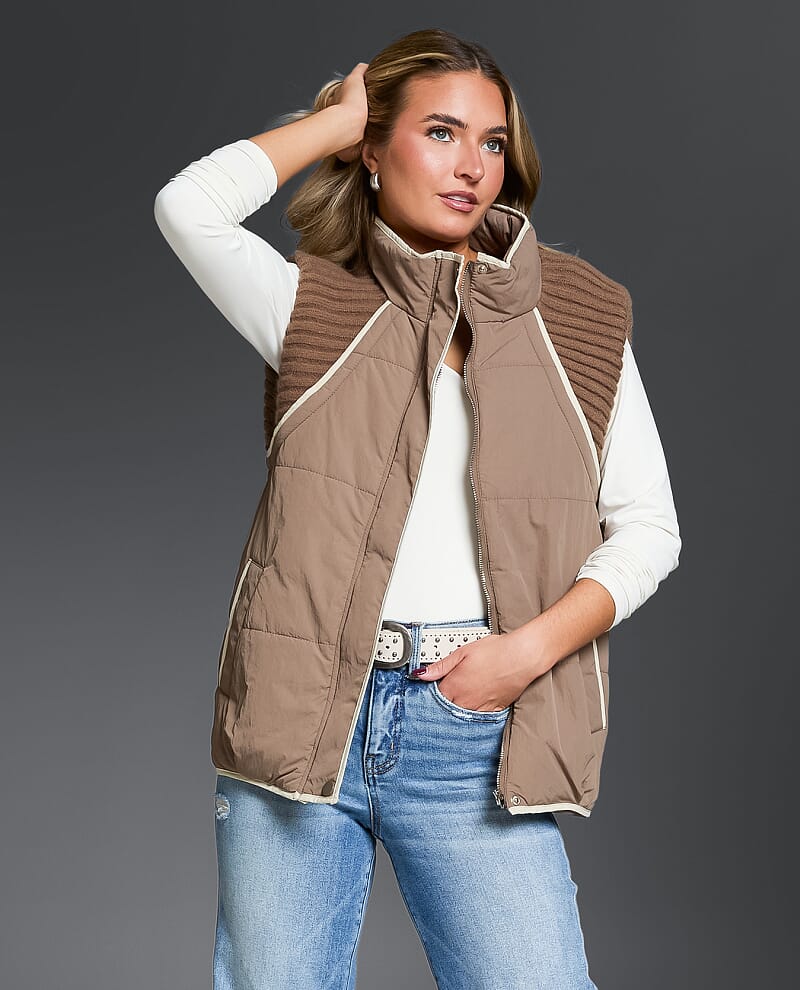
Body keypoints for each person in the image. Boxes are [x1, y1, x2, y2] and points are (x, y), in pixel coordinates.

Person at [154, 27, 681, 990]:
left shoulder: (579, 316)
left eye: (491, 141)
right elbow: (187, 207)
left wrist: (522, 655)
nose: (471, 165)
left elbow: (648, 529)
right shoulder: (314, 306)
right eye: (440, 132)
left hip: (472, 723)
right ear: (373, 149)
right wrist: (334, 122)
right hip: (302, 712)